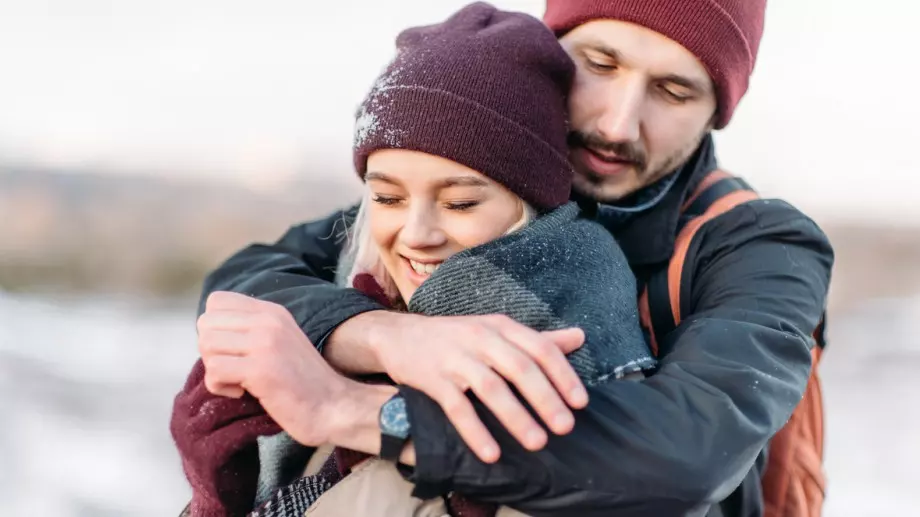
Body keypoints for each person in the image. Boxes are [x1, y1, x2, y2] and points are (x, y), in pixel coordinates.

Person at [176, 0, 835, 516]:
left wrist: (351, 407)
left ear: (717, 110)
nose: (616, 122)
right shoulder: (488, 172)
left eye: (673, 90)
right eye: (600, 64)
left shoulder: (761, 246)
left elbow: (683, 455)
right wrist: (386, 337)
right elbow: (244, 285)